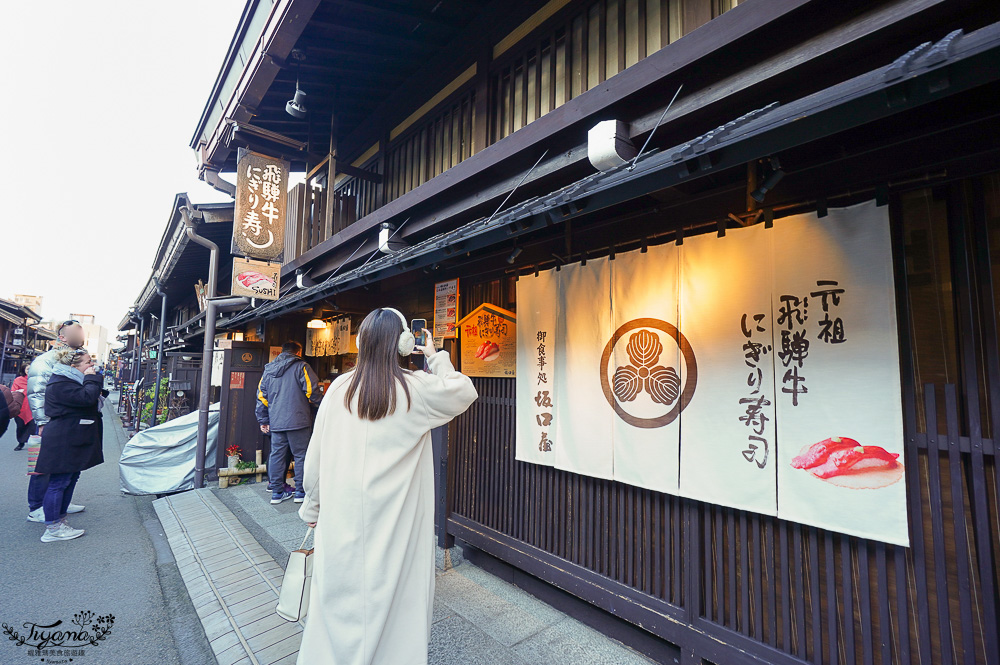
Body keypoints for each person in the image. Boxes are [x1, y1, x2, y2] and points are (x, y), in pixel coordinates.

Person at [296, 308, 477, 665]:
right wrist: (436, 356)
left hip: (342, 517)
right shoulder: (416, 389)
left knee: (336, 605)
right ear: (404, 344)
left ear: (361, 342)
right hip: (396, 523)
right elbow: (463, 390)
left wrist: (312, 508)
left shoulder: (339, 389)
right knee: (397, 610)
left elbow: (315, 459)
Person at [33, 348, 104, 542]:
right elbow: (87, 398)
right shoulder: (61, 383)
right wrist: (91, 379)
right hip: (63, 439)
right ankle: (53, 528)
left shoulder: (68, 380)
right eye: (88, 362)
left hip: (70, 437)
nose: (92, 365)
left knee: (69, 478)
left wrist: (90, 380)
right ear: (73, 366)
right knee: (59, 482)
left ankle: (59, 520)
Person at [25, 320, 87, 522]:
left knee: (68, 463)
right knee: (42, 464)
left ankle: (59, 502)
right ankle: (36, 507)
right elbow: (36, 391)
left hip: (70, 420)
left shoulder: (79, 357)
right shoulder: (45, 360)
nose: (80, 336)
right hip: (49, 420)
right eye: (75, 332)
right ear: (62, 337)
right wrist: (42, 421)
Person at [255, 340, 322, 504]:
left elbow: (262, 397)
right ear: (298, 352)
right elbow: (312, 391)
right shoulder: (302, 367)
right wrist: (322, 405)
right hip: (299, 420)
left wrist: (263, 419)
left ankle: (276, 493)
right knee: (301, 456)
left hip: (276, 421)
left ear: (282, 352)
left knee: (277, 455)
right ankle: (300, 492)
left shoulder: (268, 370)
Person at [11, 364, 35, 450]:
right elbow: (13, 391)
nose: (29, 371)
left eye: (30, 369)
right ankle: (21, 442)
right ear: (23, 370)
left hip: (33, 407)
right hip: (21, 406)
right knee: (20, 426)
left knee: (33, 427)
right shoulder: (18, 380)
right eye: (27, 369)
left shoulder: (36, 380)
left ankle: (34, 446)